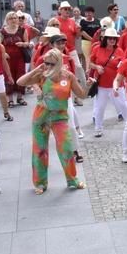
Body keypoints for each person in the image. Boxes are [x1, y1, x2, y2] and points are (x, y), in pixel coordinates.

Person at [16, 49, 87, 194]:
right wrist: (36, 69)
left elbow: (81, 95)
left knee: (66, 149)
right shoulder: (42, 75)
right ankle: (40, 184)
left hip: (60, 117)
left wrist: (89, 84)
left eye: (51, 64)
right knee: (40, 150)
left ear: (59, 63)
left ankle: (72, 180)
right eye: (46, 63)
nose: (47, 66)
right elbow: (20, 82)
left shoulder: (68, 76)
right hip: (41, 117)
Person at [89, 28, 127, 138]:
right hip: (102, 85)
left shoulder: (119, 51)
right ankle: (98, 128)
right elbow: (90, 63)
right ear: (105, 39)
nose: (112, 40)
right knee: (99, 108)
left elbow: (123, 66)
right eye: (110, 38)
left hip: (116, 84)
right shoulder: (96, 49)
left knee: (123, 106)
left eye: (114, 38)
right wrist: (97, 67)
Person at [79, 6, 100, 71]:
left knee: (96, 57)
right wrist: (92, 39)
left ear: (93, 13)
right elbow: (82, 32)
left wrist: (97, 39)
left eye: (90, 12)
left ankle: (93, 71)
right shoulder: (82, 21)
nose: (88, 14)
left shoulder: (97, 21)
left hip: (97, 42)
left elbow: (100, 31)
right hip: (86, 42)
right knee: (88, 58)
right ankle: (88, 72)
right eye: (87, 12)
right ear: (85, 13)